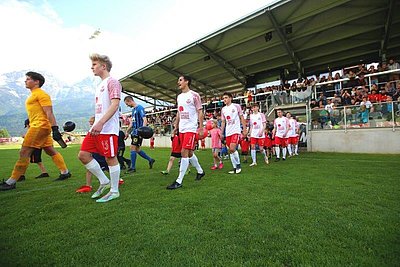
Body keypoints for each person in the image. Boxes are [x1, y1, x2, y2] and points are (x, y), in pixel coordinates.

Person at [1, 72, 70, 191]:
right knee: (50, 150)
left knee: (24, 152)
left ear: (37, 81)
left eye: (28, 79)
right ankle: (65, 172)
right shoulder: (33, 95)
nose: (25, 81)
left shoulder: (42, 94)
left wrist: (55, 128)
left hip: (39, 126)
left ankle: (11, 181)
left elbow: (49, 112)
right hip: (39, 126)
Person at [77, 54, 122, 203]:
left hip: (108, 129)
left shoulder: (113, 82)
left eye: (95, 64)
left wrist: (101, 122)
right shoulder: (99, 85)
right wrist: (95, 120)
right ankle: (104, 181)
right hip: (97, 128)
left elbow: (115, 105)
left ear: (104, 66)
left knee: (110, 158)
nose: (92, 67)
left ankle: (114, 191)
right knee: (83, 155)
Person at [166, 75, 205, 190]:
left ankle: (179, 181)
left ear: (187, 82)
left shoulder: (194, 95)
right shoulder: (179, 97)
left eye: (180, 80)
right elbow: (179, 112)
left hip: (191, 128)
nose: (178, 82)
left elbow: (200, 111)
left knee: (184, 152)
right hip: (182, 128)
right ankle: (200, 171)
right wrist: (176, 126)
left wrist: (201, 127)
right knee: (189, 153)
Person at [124, 96, 155, 173]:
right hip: (134, 132)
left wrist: (142, 131)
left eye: (126, 103)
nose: (127, 105)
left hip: (138, 132)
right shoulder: (133, 110)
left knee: (132, 148)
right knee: (137, 149)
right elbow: (132, 123)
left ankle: (133, 167)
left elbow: (145, 119)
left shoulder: (139, 108)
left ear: (129, 101)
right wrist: (127, 131)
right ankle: (150, 160)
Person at [221, 92, 248, 174]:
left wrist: (244, 129)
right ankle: (234, 167)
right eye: (223, 98)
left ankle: (238, 165)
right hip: (228, 132)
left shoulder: (236, 106)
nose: (224, 99)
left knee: (232, 148)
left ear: (230, 98)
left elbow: (241, 118)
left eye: (226, 97)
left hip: (236, 131)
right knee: (230, 151)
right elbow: (223, 121)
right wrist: (222, 132)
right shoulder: (223, 109)